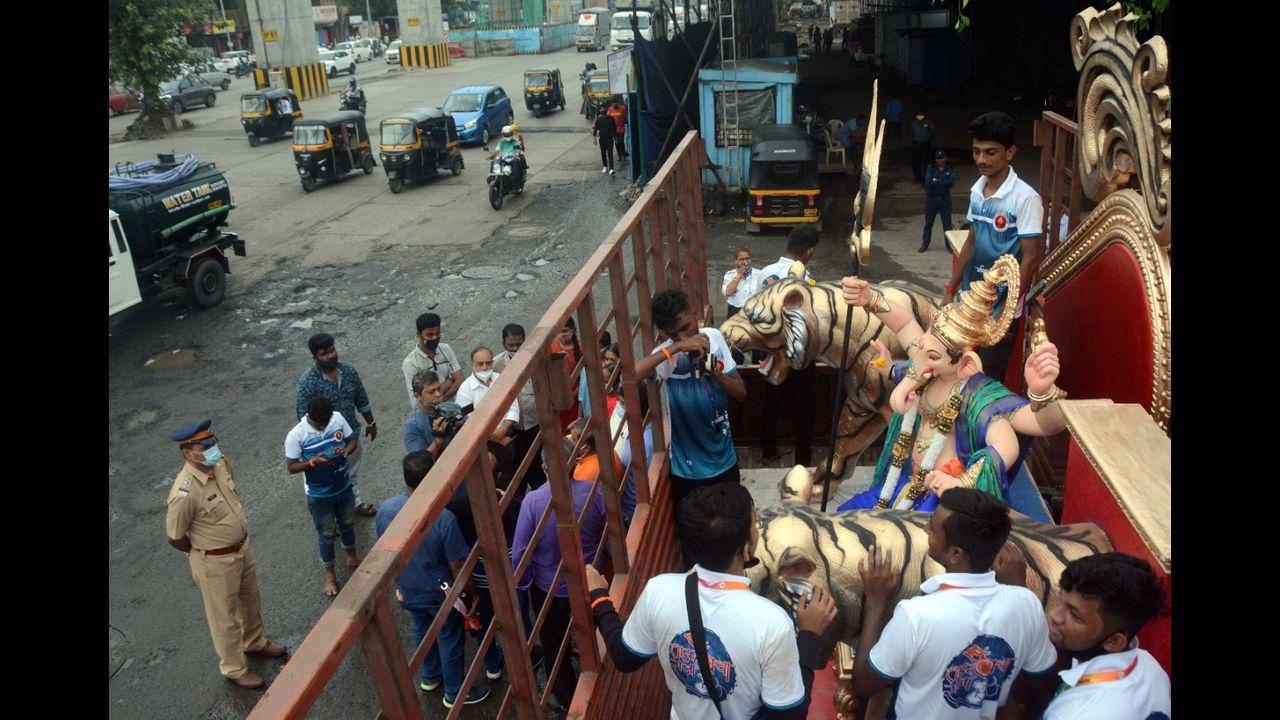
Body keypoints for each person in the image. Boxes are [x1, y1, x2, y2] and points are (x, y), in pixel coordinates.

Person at [584, 482, 837, 719]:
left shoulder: (658, 591)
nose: (758, 527)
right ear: (746, 549)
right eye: (755, 523)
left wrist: (598, 597)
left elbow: (624, 657)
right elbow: (790, 715)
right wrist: (809, 636)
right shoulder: (771, 623)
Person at [838, 260, 1068, 511]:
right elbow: (904, 324)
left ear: (965, 364)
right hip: (906, 484)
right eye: (923, 342)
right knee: (848, 514)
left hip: (943, 498)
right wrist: (869, 298)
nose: (922, 352)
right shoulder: (929, 366)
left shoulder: (977, 396)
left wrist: (1041, 390)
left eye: (934, 357)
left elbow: (1037, 427)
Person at [851, 488, 1057, 718]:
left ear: (956, 554)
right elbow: (1042, 682)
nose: (925, 528)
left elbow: (864, 684)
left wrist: (876, 601)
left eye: (933, 527)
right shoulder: (1025, 602)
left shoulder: (917, 615)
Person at [165, 420, 288, 689]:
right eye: (205, 446)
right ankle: (233, 668)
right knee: (225, 617)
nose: (213, 448)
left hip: (242, 549)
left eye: (213, 442)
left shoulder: (220, 464)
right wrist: (201, 553)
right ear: (189, 453)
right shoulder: (184, 492)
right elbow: (174, 536)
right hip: (214, 561)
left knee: (250, 600)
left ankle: (254, 642)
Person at [376, 452, 492, 708]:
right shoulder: (443, 518)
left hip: (408, 589)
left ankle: (430, 676)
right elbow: (457, 565)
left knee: (422, 630)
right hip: (440, 593)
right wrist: (471, 594)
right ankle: (455, 692)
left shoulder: (386, 510)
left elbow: (383, 553)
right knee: (449, 638)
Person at [944, 111, 1044, 383]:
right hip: (968, 302)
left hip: (999, 310)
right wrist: (951, 289)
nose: (981, 160)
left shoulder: (1026, 198)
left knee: (986, 379)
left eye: (990, 152)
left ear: (1010, 153)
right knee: (957, 370)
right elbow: (972, 240)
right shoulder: (977, 191)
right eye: (976, 152)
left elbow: (1031, 259)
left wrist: (1005, 310)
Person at [510, 439, 608, 710]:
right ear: (576, 460)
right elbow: (610, 534)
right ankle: (599, 676)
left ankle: (568, 699)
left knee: (554, 644)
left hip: (548, 589)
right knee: (591, 630)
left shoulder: (532, 502)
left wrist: (526, 582)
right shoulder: (593, 492)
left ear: (543, 467)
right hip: (589, 581)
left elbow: (519, 553)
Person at [634, 288, 746, 510]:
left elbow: (741, 393)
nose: (685, 337)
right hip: (688, 471)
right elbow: (632, 376)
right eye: (674, 334)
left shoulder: (714, 337)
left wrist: (713, 370)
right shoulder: (666, 356)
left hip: (725, 459)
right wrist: (676, 348)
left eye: (686, 328)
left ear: (693, 312)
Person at [1034, 553, 1170, 719]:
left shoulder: (1073, 714)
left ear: (1113, 641)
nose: (1055, 615)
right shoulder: (1150, 666)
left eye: (1075, 616)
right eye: (1060, 599)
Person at [295, 332, 379, 516]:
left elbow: (361, 398)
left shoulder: (348, 371)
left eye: (332, 350)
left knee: (352, 474)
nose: (331, 355)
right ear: (315, 357)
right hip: (325, 446)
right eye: (324, 353)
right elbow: (302, 418)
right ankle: (332, 517)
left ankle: (355, 504)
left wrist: (371, 422)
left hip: (351, 437)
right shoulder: (307, 383)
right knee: (329, 481)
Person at [284, 397, 360, 597]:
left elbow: (352, 440)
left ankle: (351, 555)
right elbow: (291, 467)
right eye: (320, 425)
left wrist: (345, 450)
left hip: (343, 486)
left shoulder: (337, 418)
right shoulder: (296, 435)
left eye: (326, 423)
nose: (324, 427)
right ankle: (330, 575)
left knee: (347, 523)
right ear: (309, 417)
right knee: (326, 535)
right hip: (319, 496)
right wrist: (312, 463)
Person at [493, 323, 547, 490]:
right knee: (516, 472)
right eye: (511, 345)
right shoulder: (497, 364)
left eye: (519, 344)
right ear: (503, 344)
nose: (515, 348)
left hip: (535, 425)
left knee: (538, 469)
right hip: (512, 430)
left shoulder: (537, 359)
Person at [455, 346, 521, 481]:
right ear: (473, 364)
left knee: (512, 474)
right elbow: (468, 421)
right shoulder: (465, 390)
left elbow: (513, 404)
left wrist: (504, 428)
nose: (485, 367)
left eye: (488, 363)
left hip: (506, 435)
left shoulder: (501, 379)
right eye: (480, 364)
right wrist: (494, 436)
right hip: (484, 444)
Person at [402, 313, 463, 405]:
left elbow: (460, 380)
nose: (434, 338)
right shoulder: (411, 363)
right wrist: (449, 382)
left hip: (457, 403)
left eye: (437, 333)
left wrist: (435, 398)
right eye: (429, 335)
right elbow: (417, 401)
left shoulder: (446, 349)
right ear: (418, 335)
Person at [403, 370, 453, 457]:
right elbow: (419, 463)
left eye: (439, 389)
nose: (438, 394)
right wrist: (438, 440)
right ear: (418, 396)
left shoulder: (453, 407)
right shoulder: (412, 427)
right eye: (432, 392)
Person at [550, 317, 583, 431]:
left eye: (565, 331)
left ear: (573, 330)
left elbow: (585, 376)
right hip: (558, 396)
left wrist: (574, 394)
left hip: (577, 394)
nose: (562, 334)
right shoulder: (553, 346)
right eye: (559, 331)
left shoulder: (580, 347)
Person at [921, 148, 957, 252]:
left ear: (945, 158)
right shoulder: (930, 168)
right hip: (932, 199)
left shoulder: (949, 169)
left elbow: (950, 183)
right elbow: (928, 182)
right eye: (937, 158)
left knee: (947, 224)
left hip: (944, 199)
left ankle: (949, 245)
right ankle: (925, 244)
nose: (939, 160)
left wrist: (937, 180)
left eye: (941, 158)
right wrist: (942, 181)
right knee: (928, 223)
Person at [721, 246, 762, 318]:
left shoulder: (759, 274)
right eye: (741, 259)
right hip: (735, 311)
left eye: (747, 258)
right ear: (736, 261)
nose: (745, 262)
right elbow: (728, 292)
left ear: (750, 260)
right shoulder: (730, 275)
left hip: (753, 311)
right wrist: (739, 275)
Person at [909, 111, 935, 182]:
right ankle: (917, 176)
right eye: (918, 115)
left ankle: (926, 176)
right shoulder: (913, 123)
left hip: (925, 144)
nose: (920, 116)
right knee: (916, 162)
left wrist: (929, 140)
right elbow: (911, 132)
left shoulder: (928, 123)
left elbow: (932, 132)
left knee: (926, 161)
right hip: (916, 144)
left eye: (921, 115)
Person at [592, 109, 618, 176]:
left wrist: (615, 138)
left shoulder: (611, 118)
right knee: (603, 153)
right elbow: (595, 129)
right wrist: (594, 138)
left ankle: (611, 168)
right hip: (602, 139)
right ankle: (605, 166)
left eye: (603, 109)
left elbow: (614, 129)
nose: (602, 110)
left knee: (610, 154)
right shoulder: (598, 119)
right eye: (601, 109)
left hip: (609, 139)